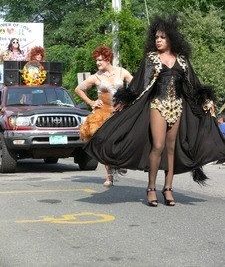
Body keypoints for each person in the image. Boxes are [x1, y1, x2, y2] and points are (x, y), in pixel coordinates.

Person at [84, 13, 225, 206]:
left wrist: (206, 101)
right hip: (157, 105)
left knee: (171, 147)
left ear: (171, 38)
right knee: (158, 146)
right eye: (156, 37)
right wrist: (125, 100)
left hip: (177, 106)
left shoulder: (182, 60)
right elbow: (138, 83)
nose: (158, 40)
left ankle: (168, 188)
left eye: (162, 37)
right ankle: (151, 187)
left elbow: (193, 84)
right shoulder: (151, 59)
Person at [75, 45, 133, 187]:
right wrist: (91, 102)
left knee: (122, 140)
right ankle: (109, 176)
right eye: (96, 60)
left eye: (100, 60)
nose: (98, 62)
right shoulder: (95, 77)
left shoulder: (121, 72)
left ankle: (120, 162)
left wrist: (127, 100)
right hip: (103, 113)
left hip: (120, 112)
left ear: (108, 59)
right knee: (106, 143)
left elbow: (136, 85)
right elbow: (78, 89)